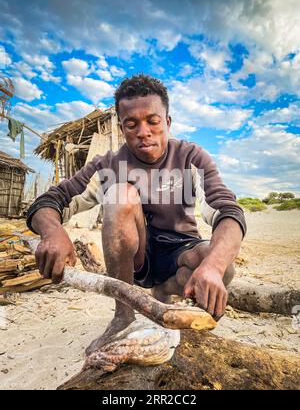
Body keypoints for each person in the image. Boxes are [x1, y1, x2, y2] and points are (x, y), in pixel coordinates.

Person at [27, 74, 246, 355]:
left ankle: (165, 294)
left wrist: (213, 267)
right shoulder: (107, 165)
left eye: (153, 121)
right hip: (137, 260)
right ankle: (123, 316)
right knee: (120, 195)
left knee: (223, 264)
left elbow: (227, 211)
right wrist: (52, 230)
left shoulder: (192, 157)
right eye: (132, 124)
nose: (144, 131)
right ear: (122, 128)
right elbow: (51, 201)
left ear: (167, 122)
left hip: (181, 250)